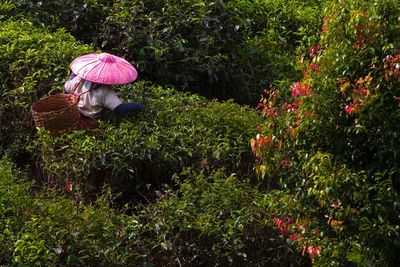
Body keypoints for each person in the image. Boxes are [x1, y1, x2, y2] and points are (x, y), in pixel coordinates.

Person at [64, 52, 144, 128]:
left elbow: (66, 88)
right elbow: (119, 109)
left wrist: (76, 72)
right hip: (88, 121)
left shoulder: (78, 80)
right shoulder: (105, 91)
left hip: (72, 115)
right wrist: (138, 106)